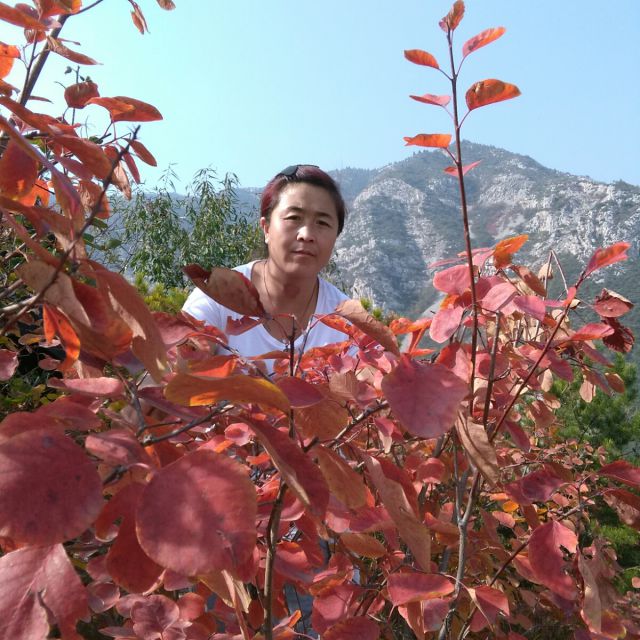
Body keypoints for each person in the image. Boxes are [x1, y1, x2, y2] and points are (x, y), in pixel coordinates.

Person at [182, 164, 350, 366]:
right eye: (294, 218)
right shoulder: (218, 298)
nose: (306, 235)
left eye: (322, 223)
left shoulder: (347, 322)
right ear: (266, 228)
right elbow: (176, 373)